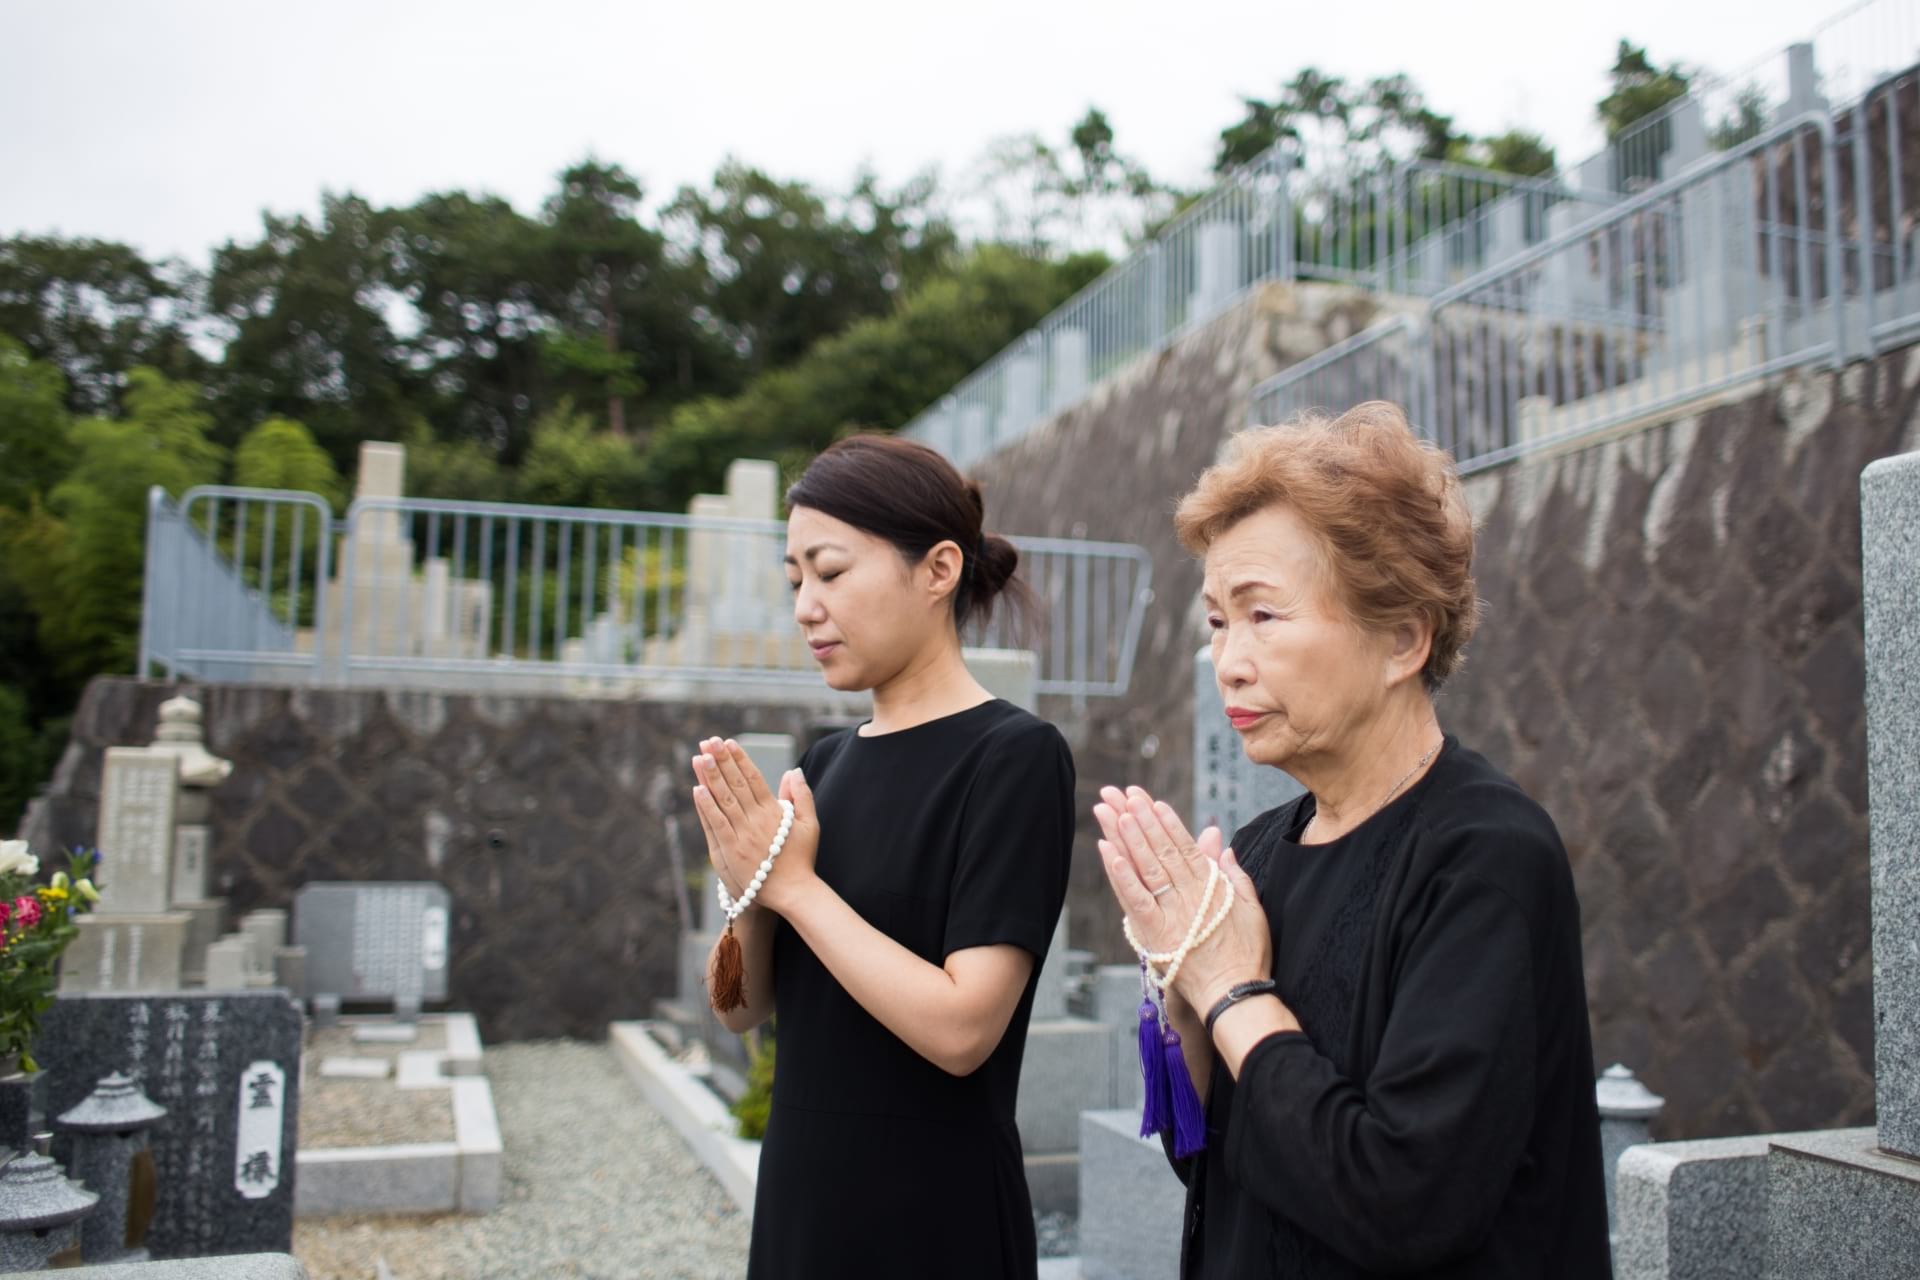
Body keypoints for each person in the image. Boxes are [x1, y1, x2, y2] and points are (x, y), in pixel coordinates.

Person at [1093, 402, 1610, 1278]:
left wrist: (1230, 990)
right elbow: (1212, 1164)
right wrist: (1181, 991)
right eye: (1218, 622)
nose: (1229, 660)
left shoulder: (1484, 857)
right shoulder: (1259, 853)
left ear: (1403, 638)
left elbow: (1407, 1203)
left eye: (1264, 616)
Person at [689, 434, 1075, 1280]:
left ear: (937, 570)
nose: (805, 607)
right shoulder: (824, 763)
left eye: (830, 572)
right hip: (801, 1195)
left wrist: (793, 887)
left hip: (934, 1215)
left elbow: (965, 1028)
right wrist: (747, 888)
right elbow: (742, 1011)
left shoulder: (1013, 757)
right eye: (795, 581)